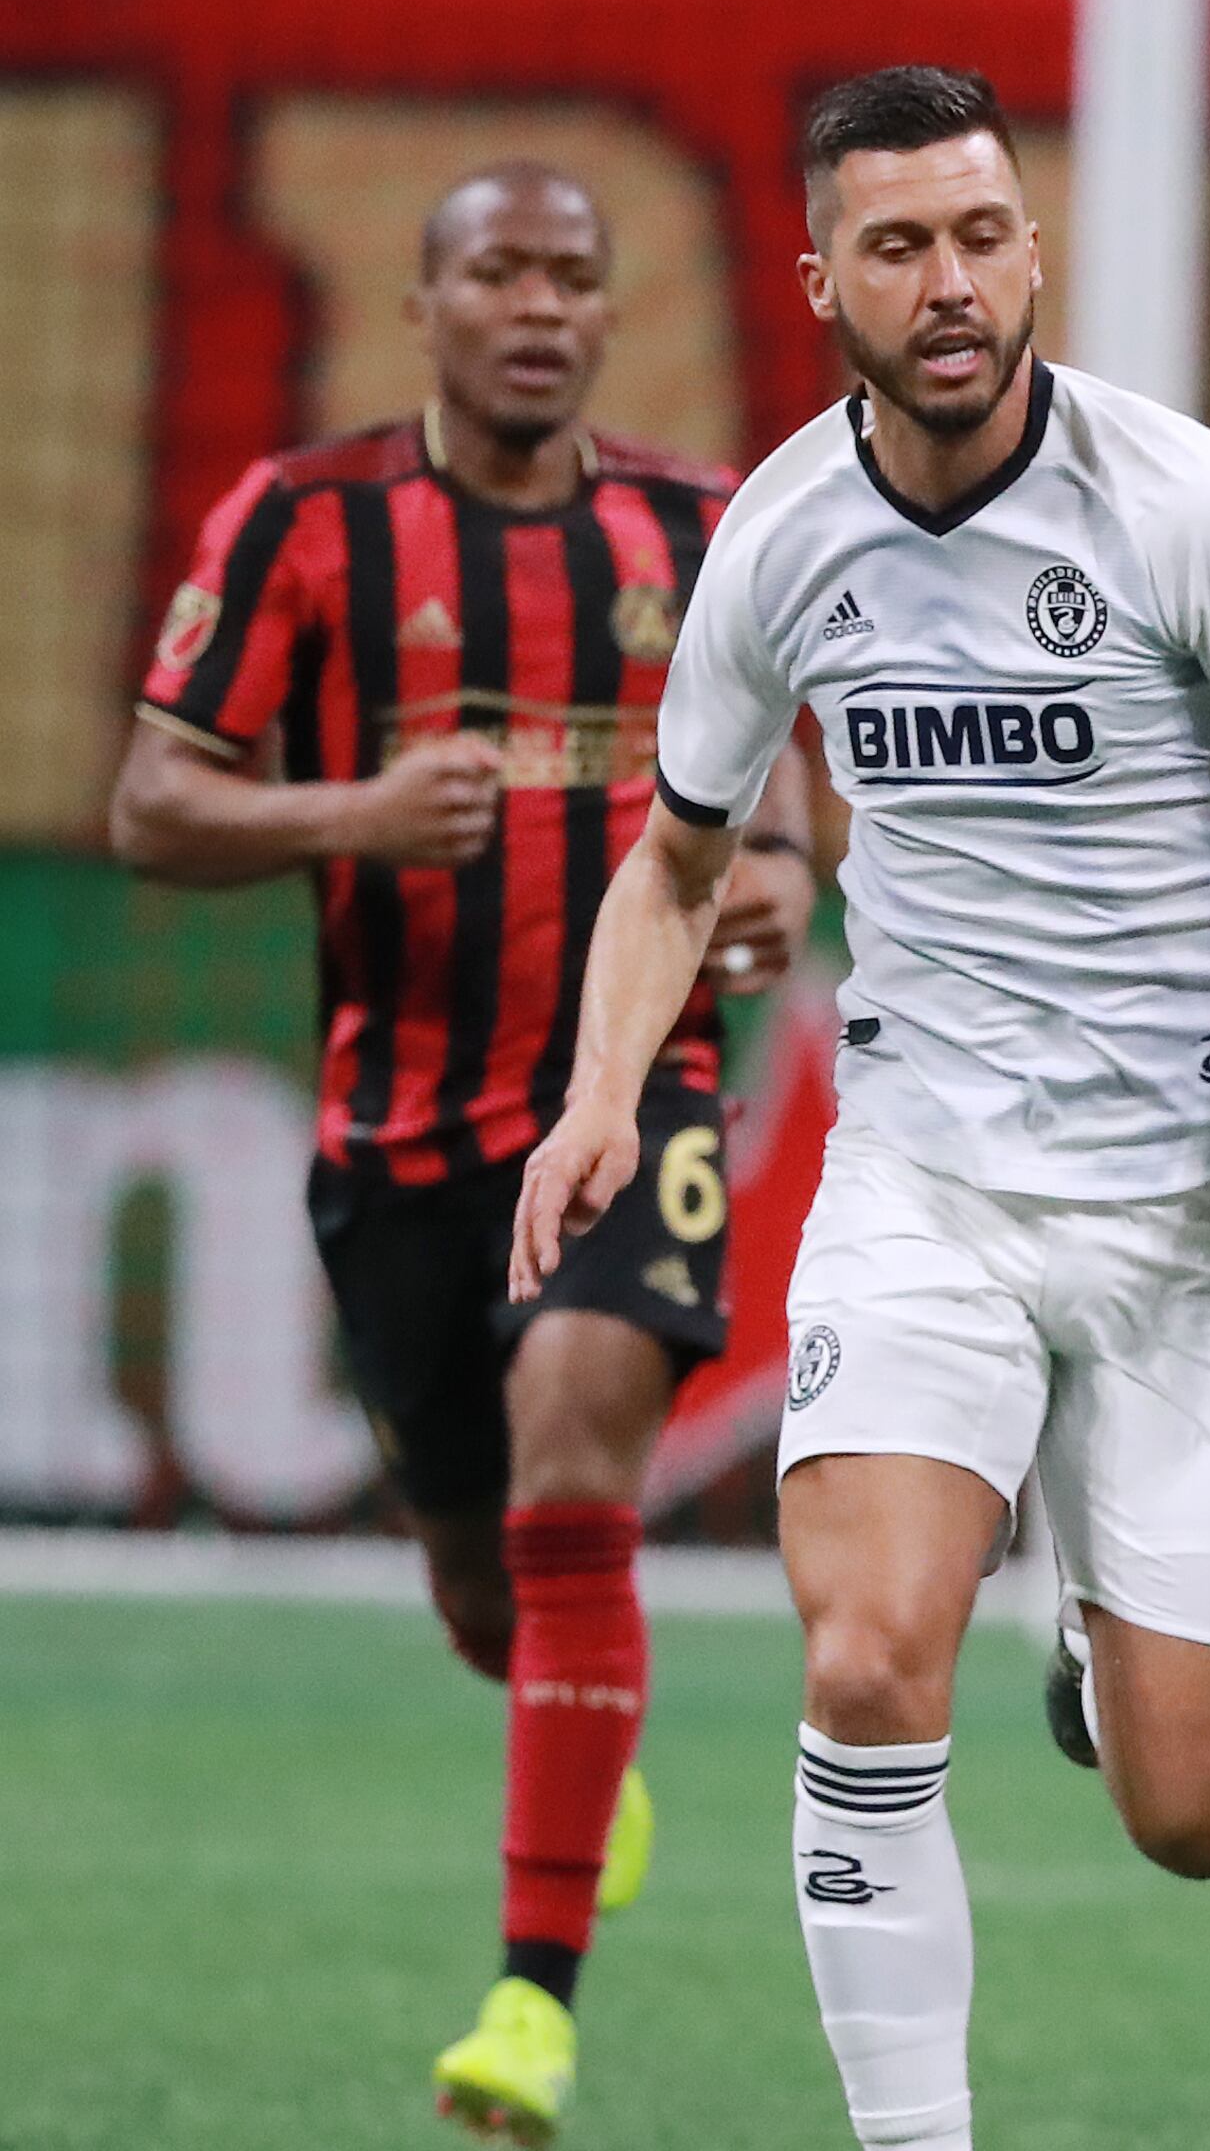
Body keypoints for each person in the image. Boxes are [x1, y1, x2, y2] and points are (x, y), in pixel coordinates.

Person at [506, 67, 1210, 2151]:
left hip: (1200, 1213)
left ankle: (1091, 1614)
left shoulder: (1184, 506)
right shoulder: (780, 538)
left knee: (1194, 1817)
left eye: (982, 236)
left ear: (1031, 247)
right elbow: (675, 856)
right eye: (901, 246)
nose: (951, 284)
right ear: (823, 276)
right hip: (925, 1177)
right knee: (861, 1663)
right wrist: (598, 1096)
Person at [106, 160, 819, 2143]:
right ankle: (577, 1749)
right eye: (496, 273)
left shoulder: (701, 532)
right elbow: (156, 801)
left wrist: (772, 871)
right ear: (422, 308)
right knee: (484, 1587)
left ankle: (529, 2006)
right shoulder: (306, 523)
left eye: (572, 279)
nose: (539, 308)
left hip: (628, 1094)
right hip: (397, 1136)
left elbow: (806, 777)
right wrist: (347, 816)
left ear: (608, 314)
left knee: (583, 1452)